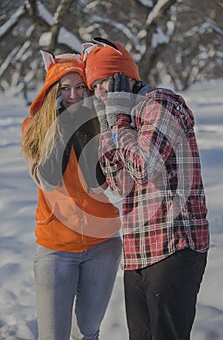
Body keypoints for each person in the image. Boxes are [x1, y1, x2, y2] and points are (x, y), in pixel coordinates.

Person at [81, 37, 210, 340]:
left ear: (124, 79)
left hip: (174, 245)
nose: (100, 93)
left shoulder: (161, 103)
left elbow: (144, 167)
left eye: (105, 83)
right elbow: (119, 185)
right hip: (138, 251)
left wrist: (118, 122)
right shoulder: (120, 119)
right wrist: (111, 127)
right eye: (94, 87)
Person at [21, 50, 122, 340]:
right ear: (52, 92)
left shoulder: (99, 125)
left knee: (88, 332)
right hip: (56, 248)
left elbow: (101, 184)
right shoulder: (33, 129)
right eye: (64, 89)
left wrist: (87, 127)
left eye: (80, 87)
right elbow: (47, 178)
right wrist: (61, 124)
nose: (74, 95)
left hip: (104, 245)